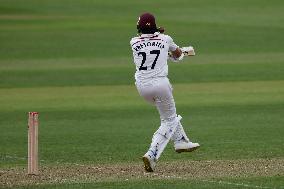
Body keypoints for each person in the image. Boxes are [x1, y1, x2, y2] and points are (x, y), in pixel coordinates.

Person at [130, 13, 200, 172]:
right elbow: (178, 54)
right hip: (160, 84)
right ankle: (152, 154)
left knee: (169, 116)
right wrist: (177, 50)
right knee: (168, 120)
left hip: (142, 86)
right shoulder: (165, 39)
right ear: (155, 27)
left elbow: (148, 46)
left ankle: (181, 140)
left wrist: (155, 33)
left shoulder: (133, 42)